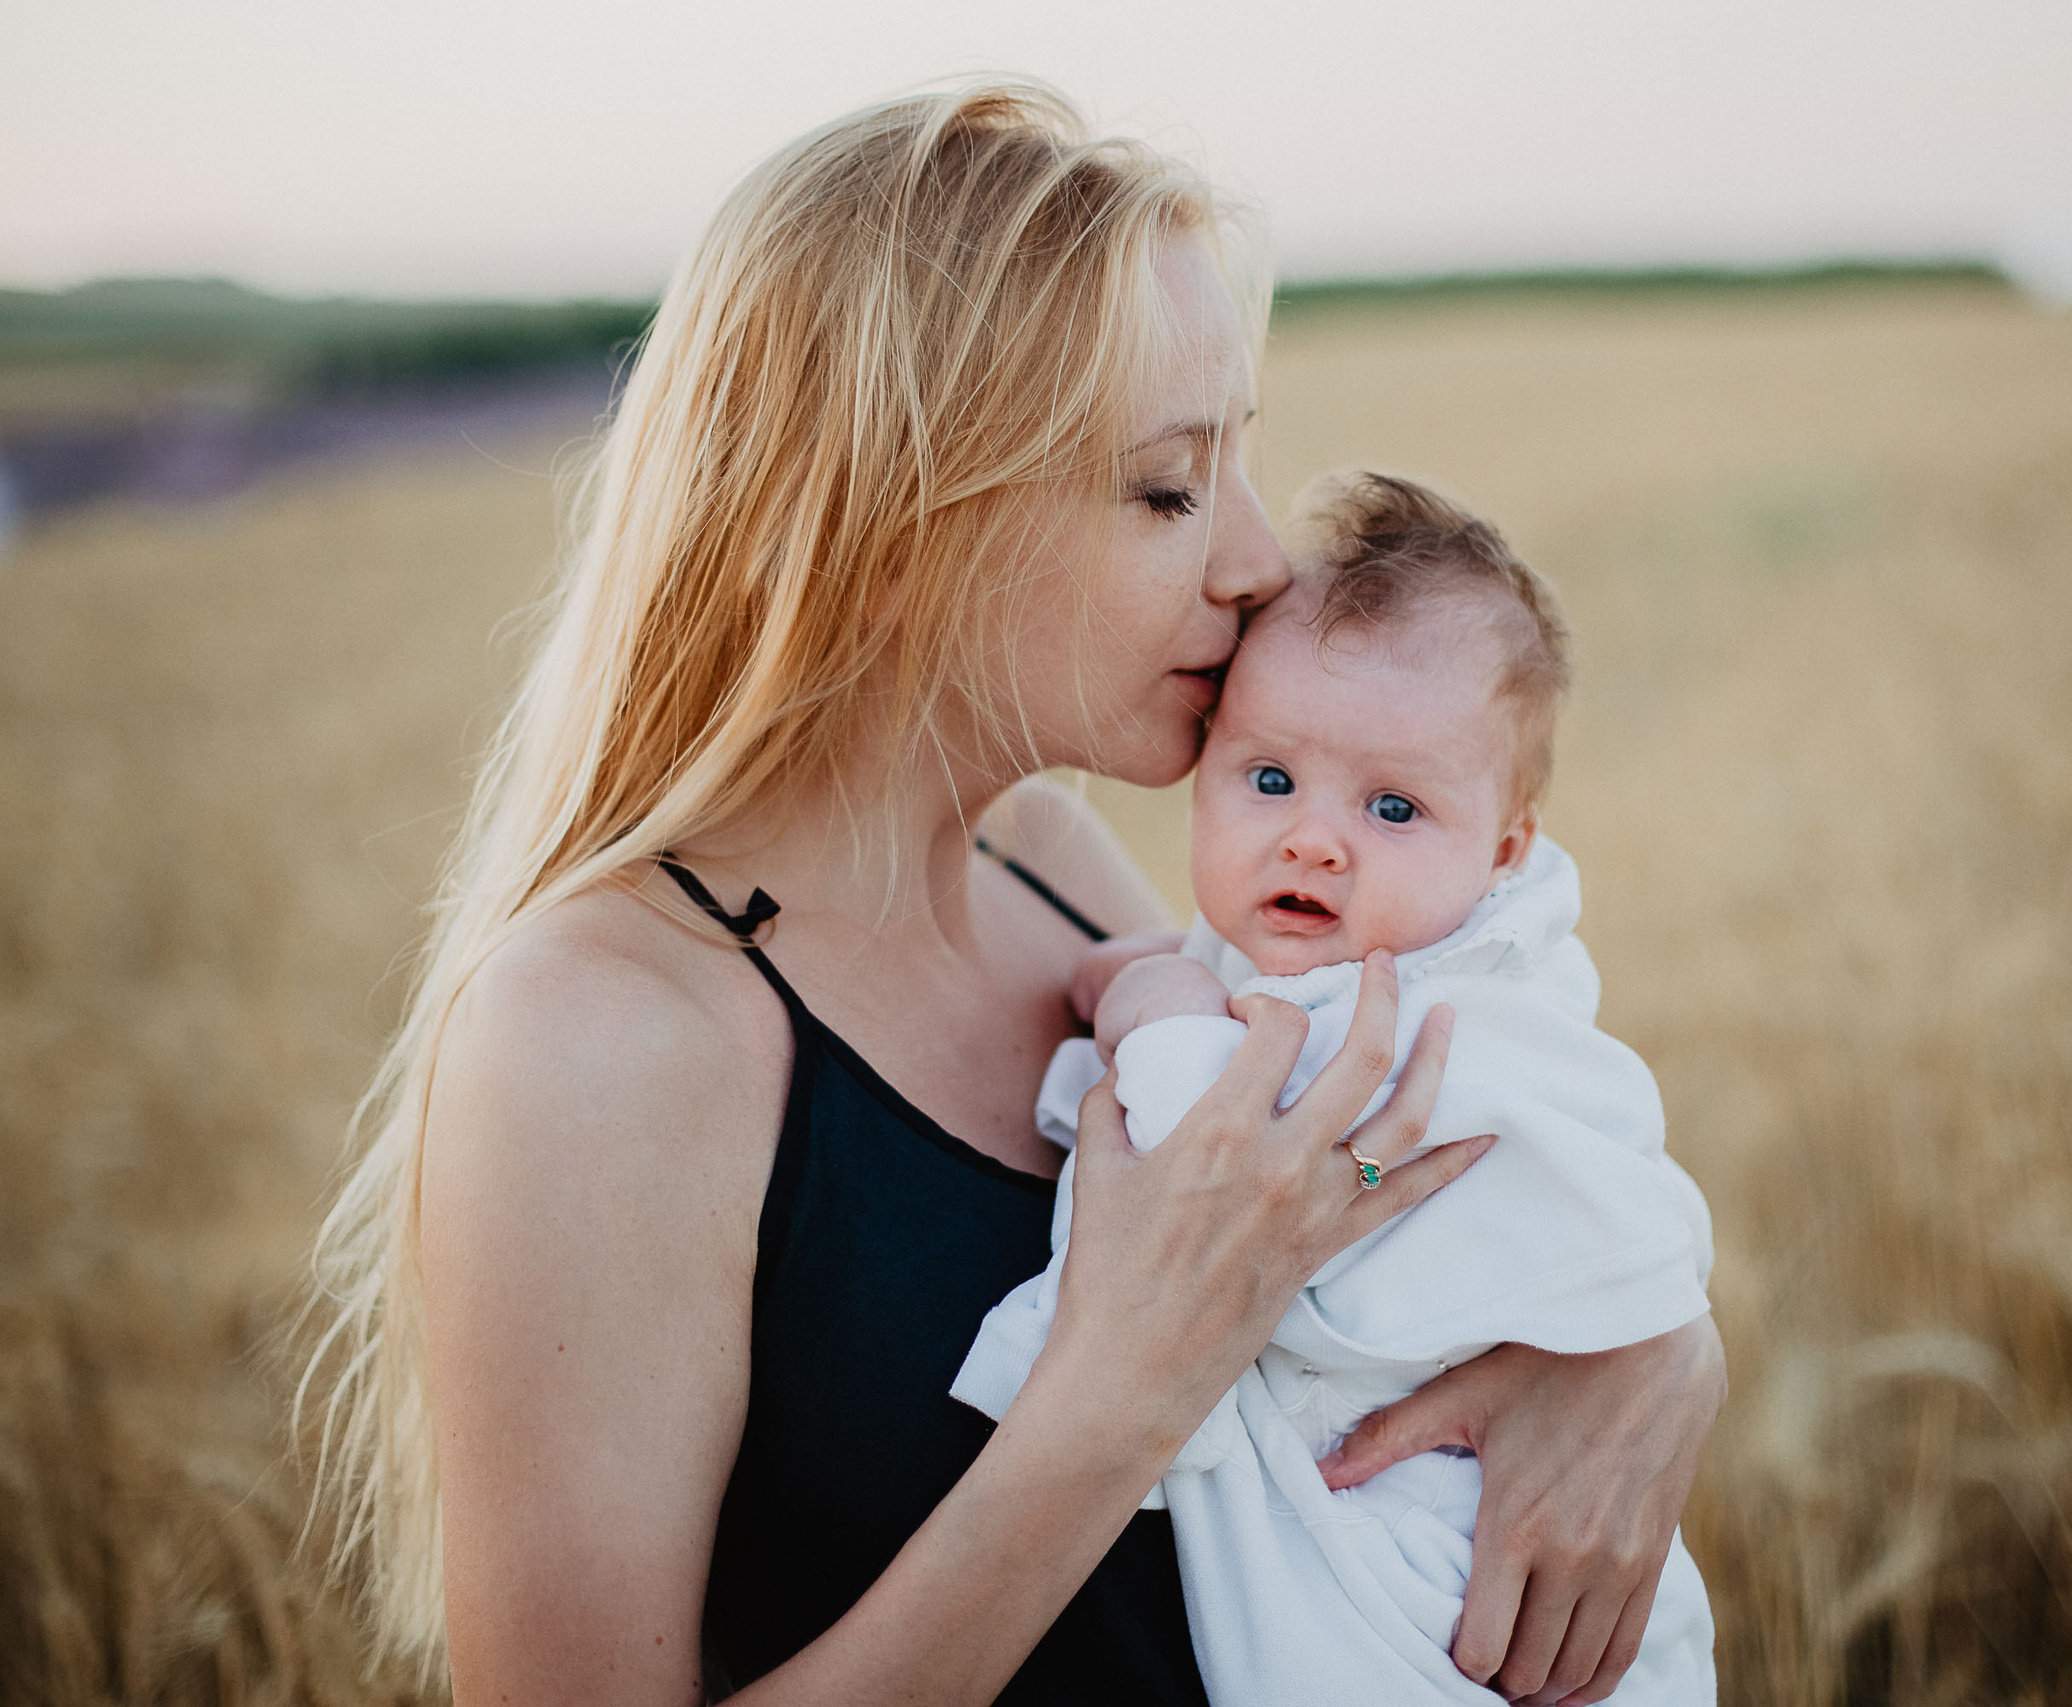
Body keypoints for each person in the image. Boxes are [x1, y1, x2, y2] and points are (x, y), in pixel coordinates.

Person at [304, 83, 1727, 1707]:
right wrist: (1113, 1400)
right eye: (1171, 486)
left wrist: (1658, 1352)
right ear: (900, 520)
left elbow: (1388, 1241)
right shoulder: (604, 1029)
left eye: (1241, 461)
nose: (1261, 558)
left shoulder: (1044, 865)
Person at [952, 470, 1718, 1703]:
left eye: (1395, 806)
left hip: (1432, 1559)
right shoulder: (1274, 957)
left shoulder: (1426, 1012)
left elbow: (1212, 1148)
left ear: (1507, 848)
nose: (1313, 839)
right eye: (1268, 782)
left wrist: (1146, 1006)